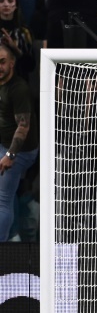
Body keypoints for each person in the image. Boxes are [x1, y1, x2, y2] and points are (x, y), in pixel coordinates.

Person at [0, 44, 37, 242]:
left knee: (2, 199)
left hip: (21, 150)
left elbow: (23, 127)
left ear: (12, 63)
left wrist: (10, 155)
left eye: (2, 62)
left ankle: (4, 244)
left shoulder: (19, 89)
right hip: (3, 143)